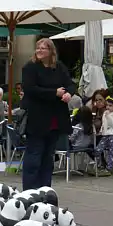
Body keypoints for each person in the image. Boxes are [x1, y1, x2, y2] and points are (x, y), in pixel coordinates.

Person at [21, 38, 75, 190]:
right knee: (34, 157)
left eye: (43, 48)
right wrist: (55, 93)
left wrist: (69, 94)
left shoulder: (59, 67)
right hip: (37, 119)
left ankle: (45, 190)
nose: (39, 50)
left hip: (55, 119)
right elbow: (30, 89)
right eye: (38, 48)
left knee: (48, 158)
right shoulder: (30, 67)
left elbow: (70, 84)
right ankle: (30, 191)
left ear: (51, 51)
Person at [94, 96, 113, 175]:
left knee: (112, 151)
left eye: (110, 105)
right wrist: (101, 131)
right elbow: (104, 124)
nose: (108, 107)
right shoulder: (105, 113)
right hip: (105, 135)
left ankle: (109, 168)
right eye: (107, 105)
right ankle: (100, 165)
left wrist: (108, 116)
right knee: (98, 149)